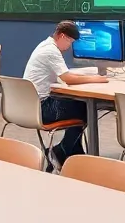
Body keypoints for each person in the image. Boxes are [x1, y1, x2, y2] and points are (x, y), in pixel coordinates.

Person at [23, 21, 108, 170]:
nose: (69, 47)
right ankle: (63, 150)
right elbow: (68, 79)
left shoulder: (44, 45)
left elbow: (62, 76)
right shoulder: (51, 51)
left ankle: (72, 152)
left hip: (30, 105)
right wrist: (96, 79)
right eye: (70, 42)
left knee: (76, 104)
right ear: (62, 36)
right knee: (84, 108)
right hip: (42, 108)